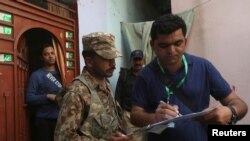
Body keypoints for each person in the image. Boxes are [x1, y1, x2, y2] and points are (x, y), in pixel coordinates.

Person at [130, 14, 248, 141]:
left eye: (177, 43)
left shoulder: (203, 67)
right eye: (164, 45)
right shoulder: (145, 74)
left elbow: (240, 104)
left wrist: (231, 112)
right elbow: (135, 115)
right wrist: (155, 118)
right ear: (152, 45)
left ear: (185, 42)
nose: (171, 50)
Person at [54, 32, 132, 141]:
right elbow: (63, 138)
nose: (113, 64)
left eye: (114, 58)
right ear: (89, 61)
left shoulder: (106, 84)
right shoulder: (77, 92)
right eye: (106, 58)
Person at [26, 44, 62, 141]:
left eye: (52, 53)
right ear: (41, 58)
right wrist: (47, 96)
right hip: (44, 120)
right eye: (46, 54)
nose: (50, 56)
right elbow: (29, 98)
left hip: (62, 119)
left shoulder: (63, 74)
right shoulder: (37, 75)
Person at [115, 50, 144, 141]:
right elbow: (118, 95)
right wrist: (118, 115)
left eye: (139, 60)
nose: (138, 62)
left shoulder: (147, 75)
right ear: (131, 61)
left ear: (143, 61)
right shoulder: (124, 75)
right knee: (131, 138)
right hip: (128, 115)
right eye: (135, 60)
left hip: (144, 114)